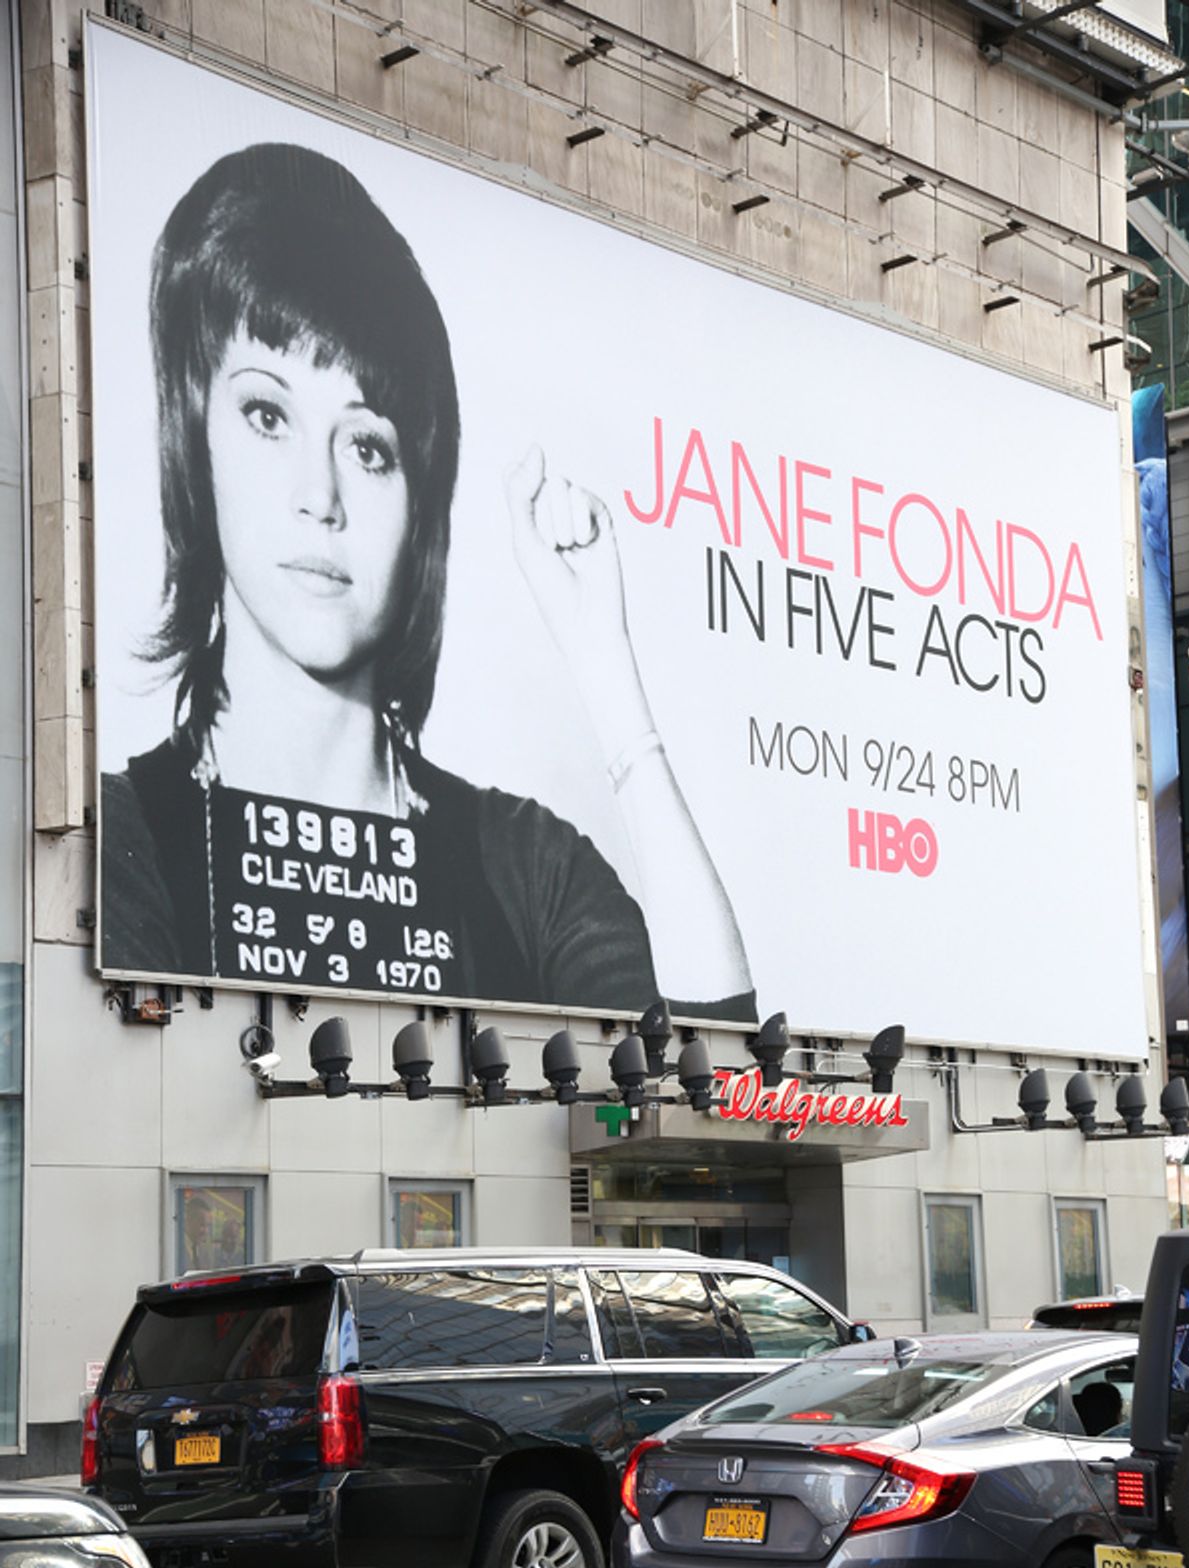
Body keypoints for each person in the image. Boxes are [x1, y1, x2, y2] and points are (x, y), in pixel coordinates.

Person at [101, 143, 753, 1018]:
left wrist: (604, 663)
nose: (319, 496)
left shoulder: (526, 864)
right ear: (195, 442)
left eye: (367, 445)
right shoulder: (121, 841)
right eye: (268, 415)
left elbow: (722, 1066)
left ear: (419, 501)